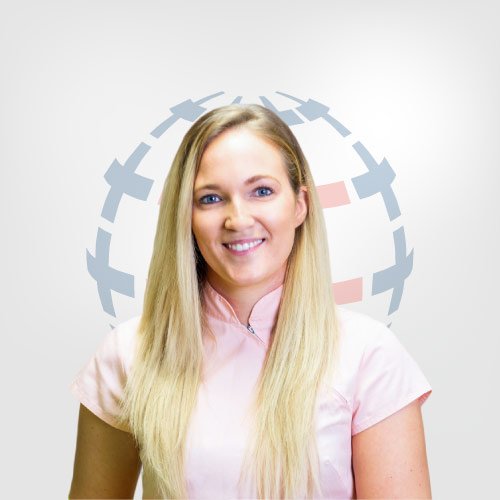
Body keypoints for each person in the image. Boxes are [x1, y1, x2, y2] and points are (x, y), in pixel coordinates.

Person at [69, 104, 433, 499]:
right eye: (211, 198)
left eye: (262, 191)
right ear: (185, 215)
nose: (238, 219)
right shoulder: (128, 353)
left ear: (300, 204)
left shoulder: (369, 356)